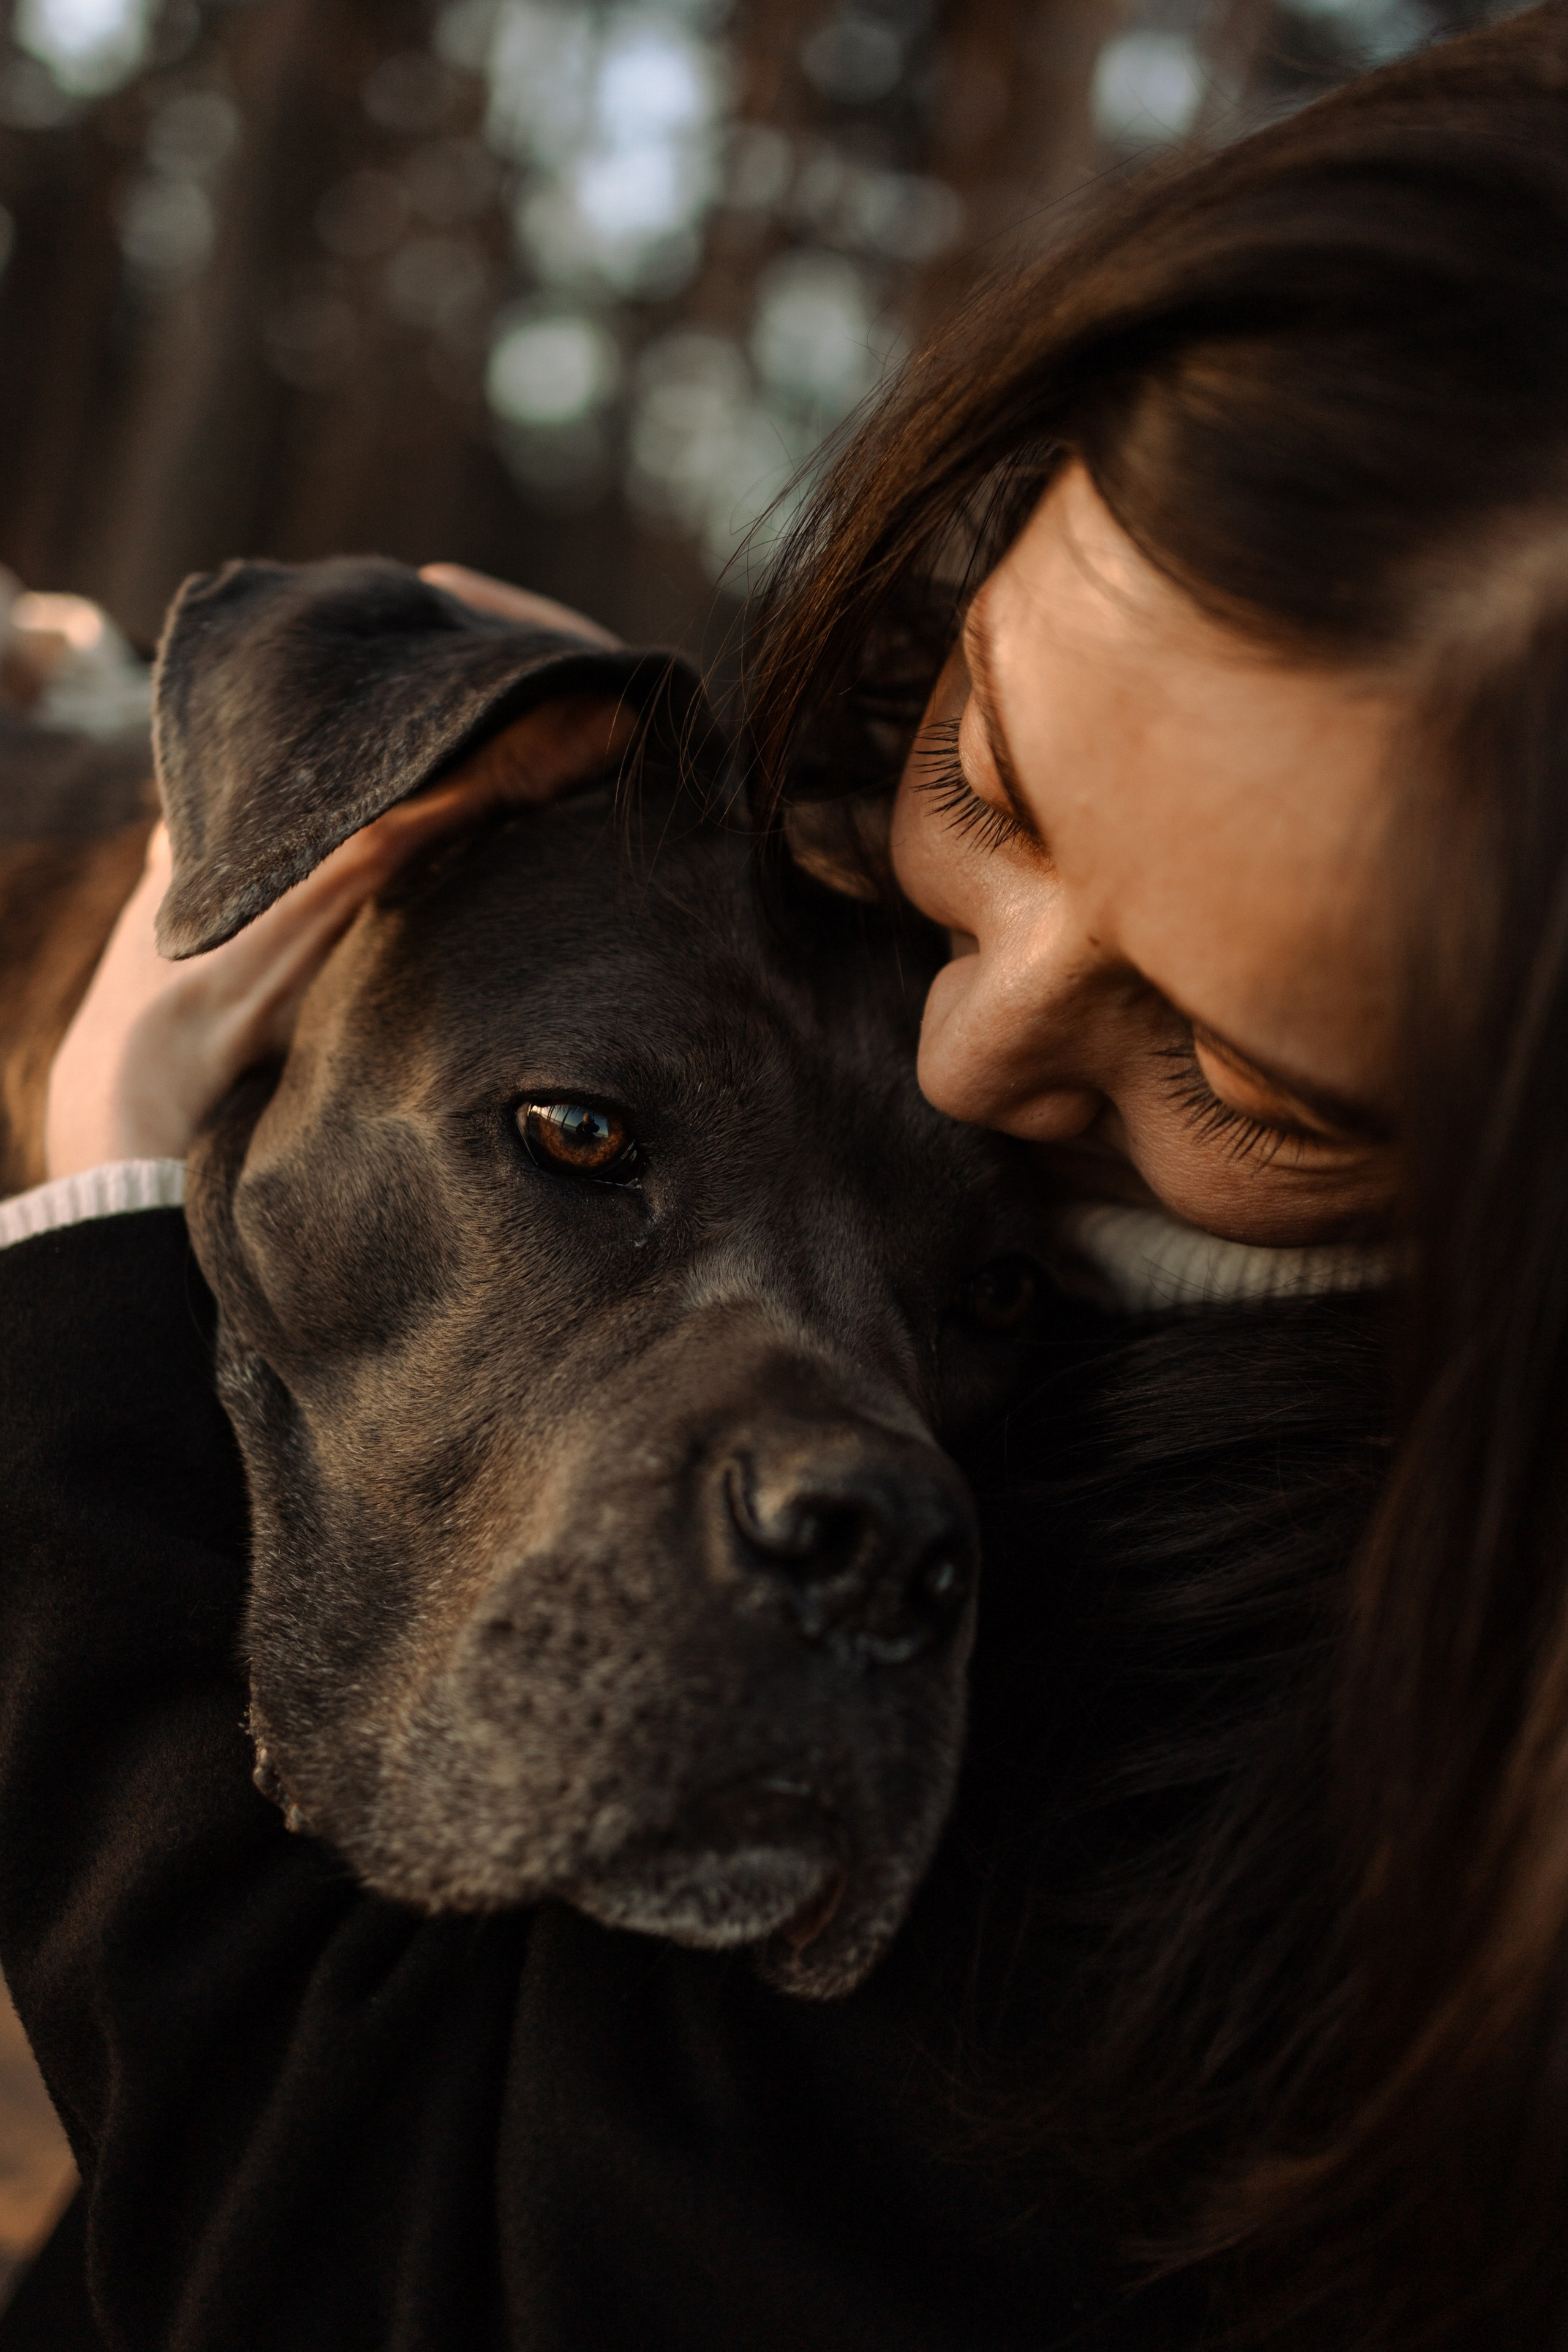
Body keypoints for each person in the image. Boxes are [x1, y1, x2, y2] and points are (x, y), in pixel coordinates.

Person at [4, 4, 1568, 2343]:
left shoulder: (1388, 1779)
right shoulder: (725, 911)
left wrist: (96, 1233)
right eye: (988, 787)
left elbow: (383, 2263)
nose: (974, 1038)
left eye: (1241, 1071)